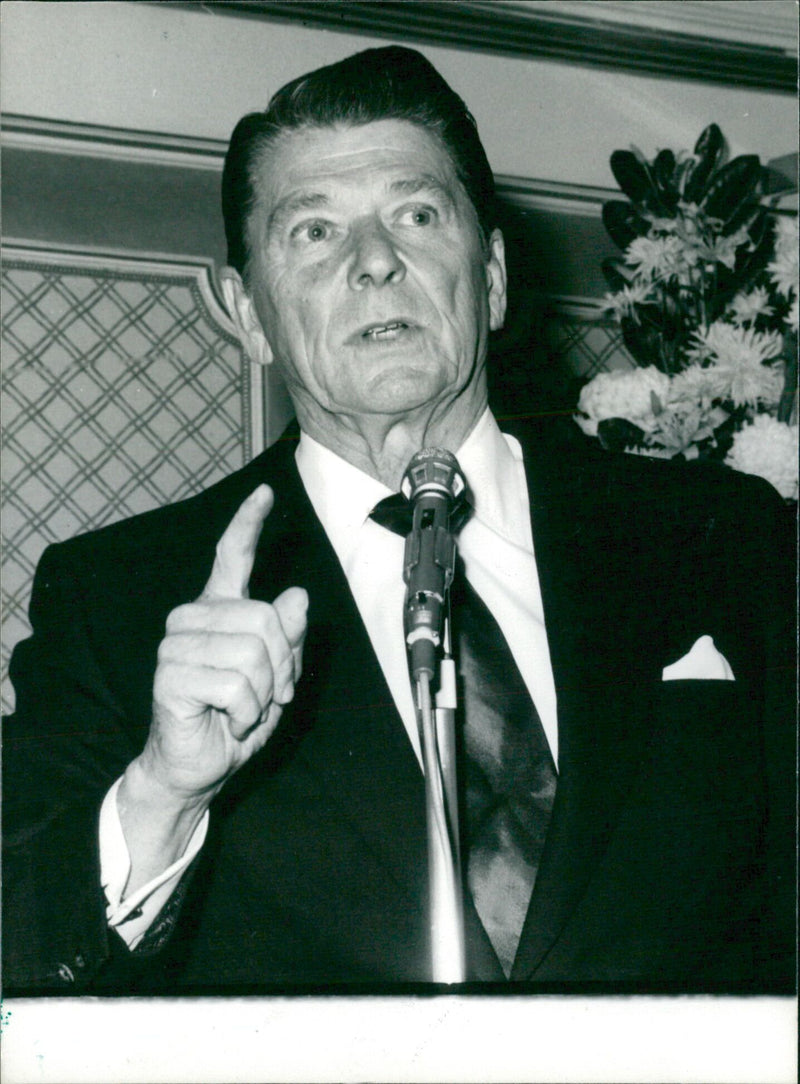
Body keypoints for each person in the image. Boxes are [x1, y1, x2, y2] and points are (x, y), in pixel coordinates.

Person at [3, 46, 794, 994]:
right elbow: (20, 941)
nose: (376, 262)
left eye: (417, 215)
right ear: (247, 314)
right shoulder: (122, 598)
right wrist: (164, 794)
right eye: (312, 232)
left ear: (494, 276)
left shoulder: (726, 536)